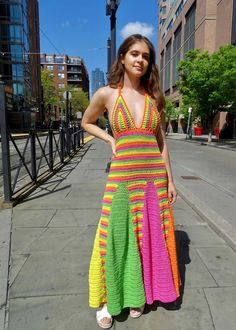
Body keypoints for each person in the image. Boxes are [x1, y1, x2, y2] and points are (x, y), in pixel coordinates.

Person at [82, 34, 181, 329]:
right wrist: (109, 137)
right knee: (112, 233)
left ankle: (138, 291)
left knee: (146, 233)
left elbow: (161, 143)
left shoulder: (155, 98)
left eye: (146, 56)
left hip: (152, 178)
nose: (140, 60)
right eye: (135, 54)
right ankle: (105, 299)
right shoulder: (107, 94)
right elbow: (86, 121)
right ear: (123, 57)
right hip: (123, 177)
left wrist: (170, 181)